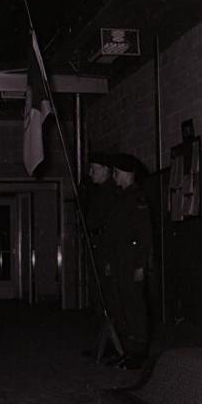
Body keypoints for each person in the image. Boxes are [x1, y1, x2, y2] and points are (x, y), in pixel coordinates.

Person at [106, 153, 153, 370]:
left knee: (134, 306)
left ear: (126, 174)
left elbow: (145, 235)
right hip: (119, 259)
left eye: (116, 173)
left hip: (132, 260)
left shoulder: (137, 198)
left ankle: (139, 350)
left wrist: (141, 264)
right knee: (122, 304)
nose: (113, 177)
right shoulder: (119, 197)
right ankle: (127, 349)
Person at [81, 152, 120, 360]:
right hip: (97, 247)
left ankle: (114, 345)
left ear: (106, 170)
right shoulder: (97, 192)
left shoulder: (112, 193)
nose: (90, 173)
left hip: (106, 250)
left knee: (109, 298)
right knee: (98, 297)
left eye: (94, 169)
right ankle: (103, 344)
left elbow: (111, 227)